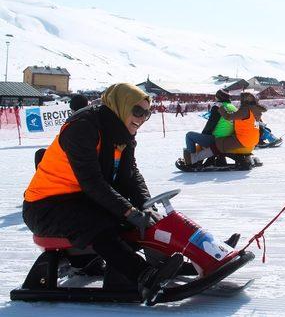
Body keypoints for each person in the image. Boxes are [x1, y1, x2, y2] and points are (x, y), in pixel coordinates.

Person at [22, 83, 184, 303]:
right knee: (102, 222)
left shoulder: (121, 131)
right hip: (46, 206)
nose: (142, 118)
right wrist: (129, 211)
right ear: (121, 106)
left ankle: (191, 254)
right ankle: (143, 275)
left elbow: (130, 175)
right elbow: (92, 182)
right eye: (137, 111)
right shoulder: (83, 127)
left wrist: (146, 205)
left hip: (80, 199)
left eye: (147, 113)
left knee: (135, 219)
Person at [182, 89, 237, 165]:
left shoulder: (218, 107)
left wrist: (202, 137)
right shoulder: (233, 108)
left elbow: (210, 124)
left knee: (189, 135)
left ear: (218, 97)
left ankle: (192, 160)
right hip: (227, 139)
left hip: (216, 139)